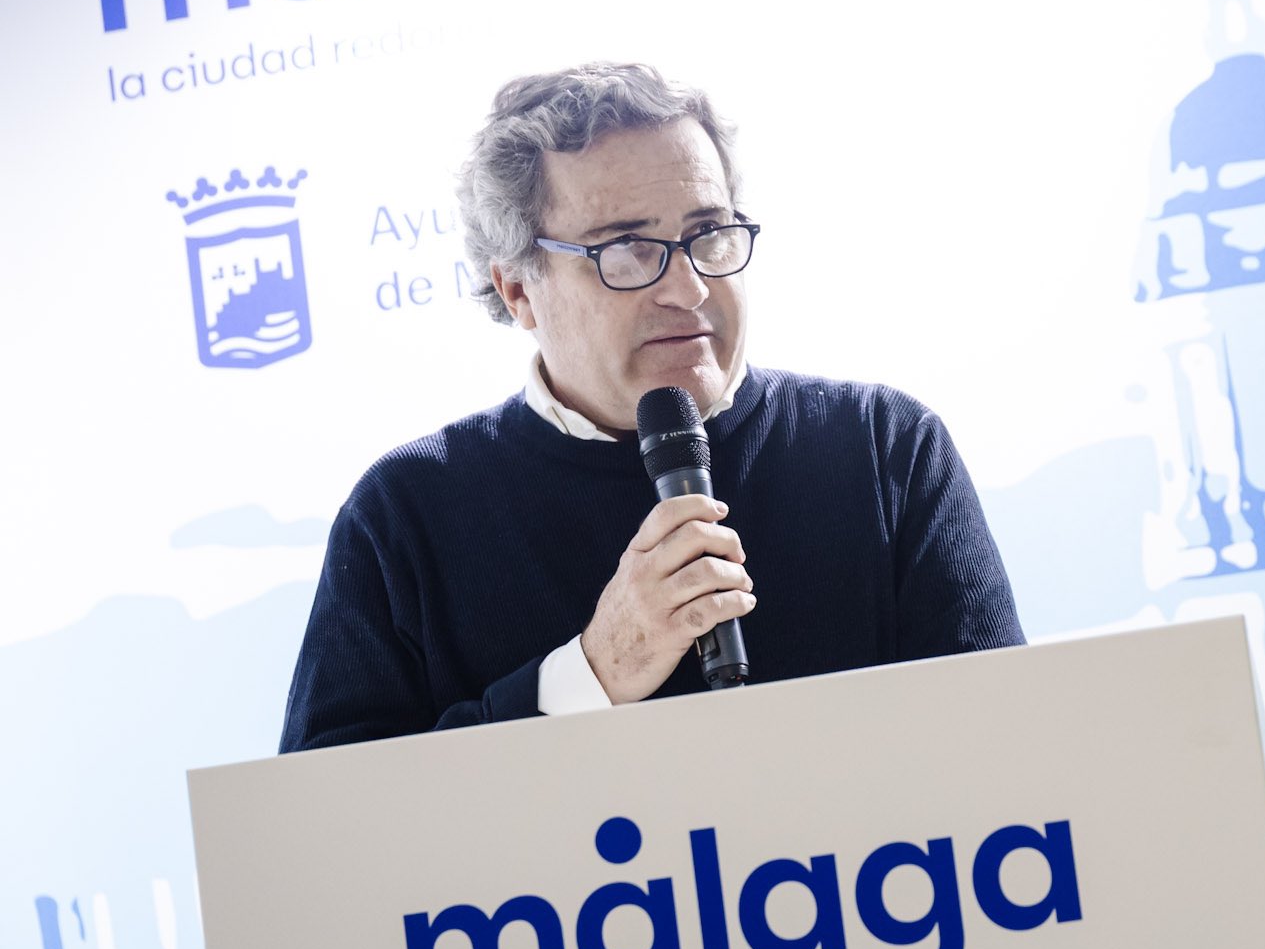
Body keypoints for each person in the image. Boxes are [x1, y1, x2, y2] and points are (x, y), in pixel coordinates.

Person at [280, 63, 1022, 751]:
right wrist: (590, 674)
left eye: (708, 234)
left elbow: (1008, 748)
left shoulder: (885, 449)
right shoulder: (404, 516)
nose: (689, 288)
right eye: (627, 249)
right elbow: (333, 821)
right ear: (519, 289)